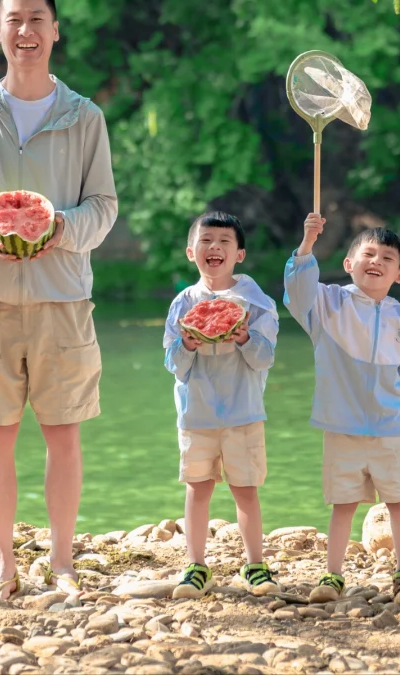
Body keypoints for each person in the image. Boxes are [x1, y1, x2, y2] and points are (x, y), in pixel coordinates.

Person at [0, 0, 117, 602]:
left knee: (63, 432)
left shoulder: (85, 117)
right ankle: (3, 564)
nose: (26, 32)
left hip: (63, 295)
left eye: (37, 19)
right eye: (13, 20)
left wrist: (62, 227)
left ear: (56, 30)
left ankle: (63, 563)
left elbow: (105, 206)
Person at [284, 213, 400, 608]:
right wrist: (307, 245)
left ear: (399, 275)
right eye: (368, 253)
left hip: (392, 428)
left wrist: (399, 401)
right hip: (342, 426)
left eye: (387, 258)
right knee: (343, 502)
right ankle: (333, 574)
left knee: (399, 501)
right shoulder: (329, 304)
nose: (376, 261)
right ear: (349, 264)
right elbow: (297, 292)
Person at [163, 212, 281, 599]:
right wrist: (188, 344)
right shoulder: (182, 304)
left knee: (245, 489)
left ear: (240, 254)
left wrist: (245, 336)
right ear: (190, 251)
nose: (215, 247)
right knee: (197, 488)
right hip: (196, 412)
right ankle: (196, 566)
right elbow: (173, 364)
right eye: (206, 240)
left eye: (224, 242)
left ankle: (255, 565)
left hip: (243, 411)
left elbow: (264, 358)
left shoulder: (257, 302)